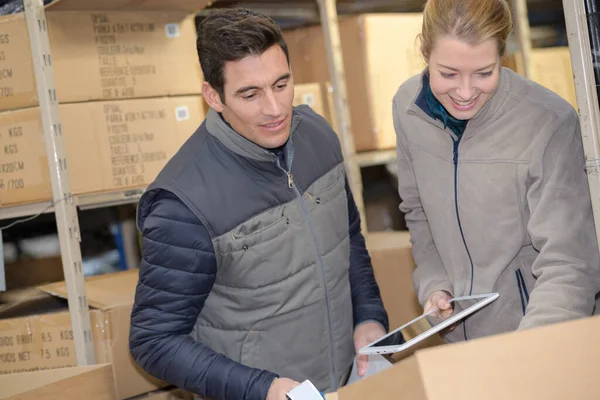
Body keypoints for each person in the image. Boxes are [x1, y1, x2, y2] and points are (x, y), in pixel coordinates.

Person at [129, 8, 389, 400]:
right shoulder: (184, 204)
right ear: (212, 96)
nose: (275, 108)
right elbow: (154, 340)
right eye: (250, 94)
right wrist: (260, 388)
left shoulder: (318, 136)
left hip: (344, 384)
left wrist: (369, 316)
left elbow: (348, 238)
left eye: (281, 84)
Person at [393, 0, 600, 342]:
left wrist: (524, 353)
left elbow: (570, 264)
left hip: (539, 341)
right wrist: (434, 284)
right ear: (423, 51)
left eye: (484, 73)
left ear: (503, 54)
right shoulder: (406, 108)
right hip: (464, 346)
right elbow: (417, 212)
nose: (464, 92)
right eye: (447, 73)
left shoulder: (547, 123)